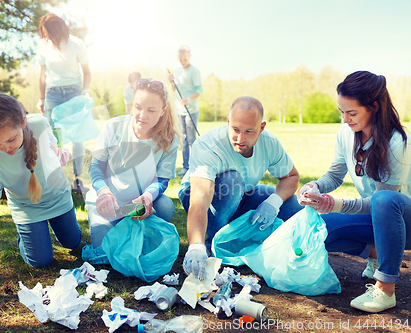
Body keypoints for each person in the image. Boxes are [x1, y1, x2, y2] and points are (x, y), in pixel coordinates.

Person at [297, 71, 411, 313]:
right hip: (377, 220)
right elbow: (334, 175)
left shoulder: (398, 142)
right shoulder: (345, 134)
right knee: (320, 231)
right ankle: (379, 252)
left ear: (374, 108)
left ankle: (385, 288)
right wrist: (314, 187)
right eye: (342, 112)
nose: (346, 120)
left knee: (383, 199)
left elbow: (383, 204)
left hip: (403, 222)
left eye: (352, 113)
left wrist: (336, 204)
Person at [0, 94, 81, 303]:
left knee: (73, 242)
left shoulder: (39, 124)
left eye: (11, 139)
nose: (6, 148)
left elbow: (52, 142)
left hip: (58, 198)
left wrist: (58, 151)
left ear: (22, 122)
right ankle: (25, 234)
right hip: (27, 209)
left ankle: (49, 231)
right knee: (40, 261)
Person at [179, 96, 303, 280]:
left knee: (293, 206)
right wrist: (195, 246)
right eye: (235, 129)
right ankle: (214, 246)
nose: (240, 138)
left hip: (242, 192)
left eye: (249, 131)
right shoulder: (208, 146)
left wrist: (274, 202)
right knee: (232, 180)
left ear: (261, 128)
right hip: (198, 192)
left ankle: (250, 239)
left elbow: (291, 177)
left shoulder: (269, 143)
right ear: (228, 122)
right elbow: (200, 197)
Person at [86, 77, 180, 248]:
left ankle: (136, 228)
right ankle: (123, 227)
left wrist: (148, 196)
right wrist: (104, 192)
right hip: (108, 203)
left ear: (163, 110)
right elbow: (95, 167)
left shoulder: (170, 140)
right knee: (104, 249)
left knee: (165, 206)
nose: (142, 116)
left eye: (151, 110)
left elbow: (162, 179)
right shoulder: (113, 127)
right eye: (138, 107)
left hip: (137, 206)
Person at [37, 13, 91, 193]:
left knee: (77, 137)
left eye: (48, 33)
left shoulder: (76, 44)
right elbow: (42, 75)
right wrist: (41, 99)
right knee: (53, 137)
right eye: (43, 33)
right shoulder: (43, 45)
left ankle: (77, 179)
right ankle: (58, 177)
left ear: (57, 30)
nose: (46, 37)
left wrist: (84, 91)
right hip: (52, 93)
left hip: (74, 92)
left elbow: (87, 72)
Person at [168, 45, 203, 176]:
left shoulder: (194, 71)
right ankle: (185, 167)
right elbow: (174, 89)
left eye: (184, 59)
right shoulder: (177, 71)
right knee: (182, 139)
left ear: (189, 56)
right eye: (180, 59)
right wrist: (171, 82)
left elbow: (199, 90)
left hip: (191, 109)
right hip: (179, 110)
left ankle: (196, 166)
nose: (182, 61)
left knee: (191, 139)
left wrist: (188, 99)